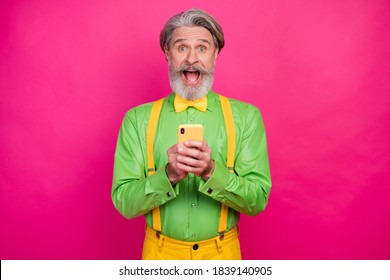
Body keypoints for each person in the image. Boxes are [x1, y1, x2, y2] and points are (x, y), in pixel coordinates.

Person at [112, 8, 271, 260]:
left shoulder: (246, 117)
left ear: (216, 54)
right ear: (167, 52)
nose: (192, 59)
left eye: (202, 48)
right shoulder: (136, 120)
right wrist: (168, 176)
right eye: (181, 47)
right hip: (159, 256)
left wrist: (211, 172)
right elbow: (124, 203)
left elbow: (257, 201)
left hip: (222, 256)